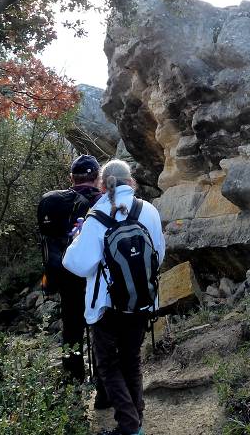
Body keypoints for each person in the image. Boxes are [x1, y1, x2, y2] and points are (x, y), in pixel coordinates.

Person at [63, 159, 164, 435]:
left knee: (108, 364)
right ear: (130, 181)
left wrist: (77, 237)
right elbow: (158, 255)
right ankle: (135, 420)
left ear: (102, 184)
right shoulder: (149, 210)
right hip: (141, 300)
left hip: (106, 305)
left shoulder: (96, 216)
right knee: (131, 360)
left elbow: (77, 264)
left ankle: (129, 424)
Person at [37, 154, 109, 408]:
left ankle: (73, 389)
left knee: (72, 330)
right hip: (96, 277)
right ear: (97, 178)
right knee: (101, 330)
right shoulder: (102, 202)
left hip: (66, 276)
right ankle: (104, 392)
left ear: (71, 178)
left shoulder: (52, 202)